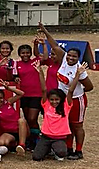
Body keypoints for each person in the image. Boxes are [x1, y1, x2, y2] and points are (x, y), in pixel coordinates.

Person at [40, 22, 93, 160]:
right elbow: (54, 44)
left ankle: (79, 151)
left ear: (78, 58)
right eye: (69, 55)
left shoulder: (79, 69)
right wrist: (45, 30)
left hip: (77, 99)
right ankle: (68, 148)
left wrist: (77, 89)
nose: (70, 58)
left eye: (74, 57)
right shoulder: (63, 59)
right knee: (67, 124)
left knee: (77, 126)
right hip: (64, 99)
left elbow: (90, 87)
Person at [33, 63, 85, 161]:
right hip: (46, 137)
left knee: (61, 153)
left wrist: (78, 74)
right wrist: (40, 71)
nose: (54, 102)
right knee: (36, 157)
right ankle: (48, 149)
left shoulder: (66, 106)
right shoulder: (46, 104)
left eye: (57, 100)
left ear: (61, 99)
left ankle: (55, 150)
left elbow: (70, 91)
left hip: (59, 138)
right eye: (52, 100)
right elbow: (44, 89)